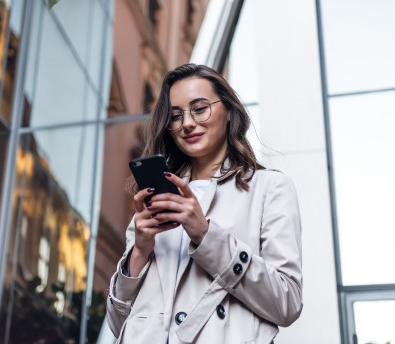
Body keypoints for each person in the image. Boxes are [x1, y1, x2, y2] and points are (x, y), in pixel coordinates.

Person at [106, 63, 303, 343]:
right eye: (175, 116)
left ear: (229, 111)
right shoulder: (156, 199)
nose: (186, 123)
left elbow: (288, 303)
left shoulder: (269, 188)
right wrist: (139, 251)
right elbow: (117, 324)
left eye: (199, 109)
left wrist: (206, 235)